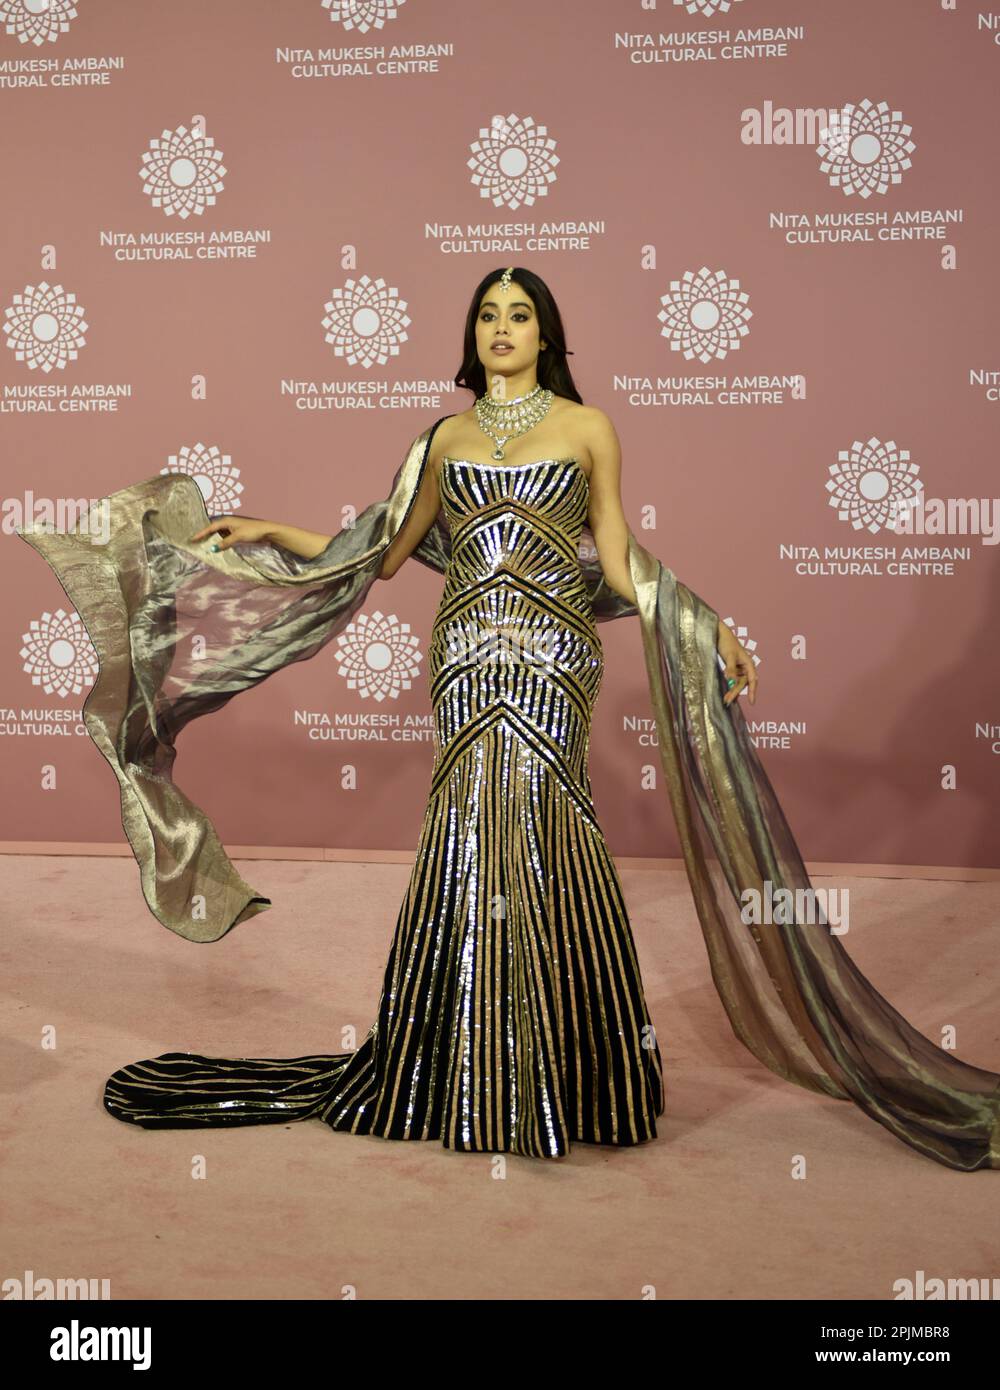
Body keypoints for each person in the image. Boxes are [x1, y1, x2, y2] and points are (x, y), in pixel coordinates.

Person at [15, 268, 1000, 1170]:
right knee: (468, 831)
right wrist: (274, 529)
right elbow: (382, 553)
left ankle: (570, 1071)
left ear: (546, 333)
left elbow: (615, 559)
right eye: (487, 315)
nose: (500, 329)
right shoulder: (443, 440)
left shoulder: (587, 427)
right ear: (472, 335)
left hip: (554, 656)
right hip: (464, 655)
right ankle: (469, 1066)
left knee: (545, 823)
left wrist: (699, 624)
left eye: (518, 315)